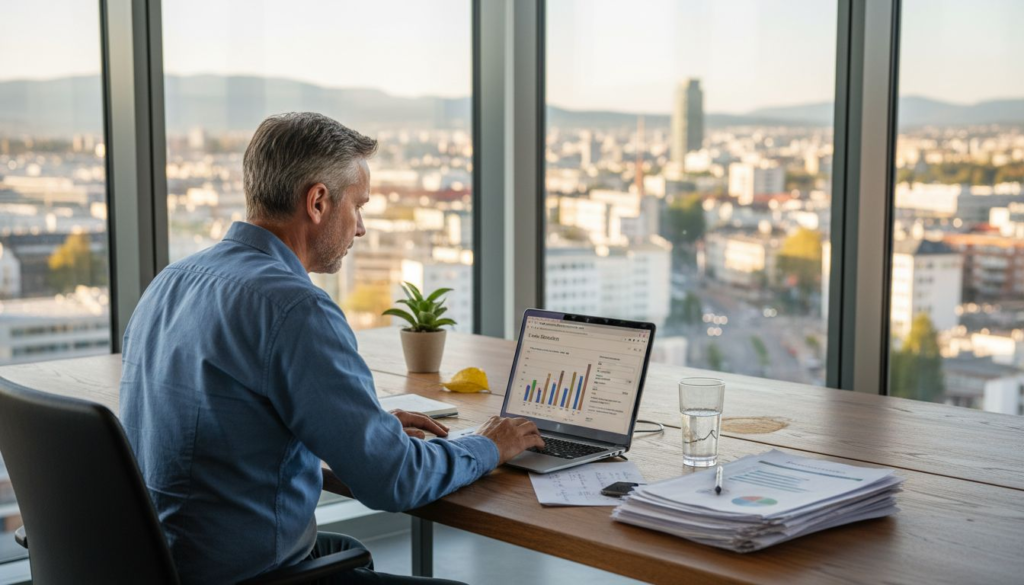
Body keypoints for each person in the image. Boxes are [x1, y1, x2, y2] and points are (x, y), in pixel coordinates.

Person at [120, 112, 544, 584]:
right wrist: (487, 445)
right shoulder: (295, 308)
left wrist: (363, 428)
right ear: (318, 201)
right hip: (242, 574)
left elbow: (229, 424)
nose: (360, 228)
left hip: (159, 561)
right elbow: (394, 480)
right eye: (358, 206)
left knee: (348, 552)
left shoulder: (171, 281)